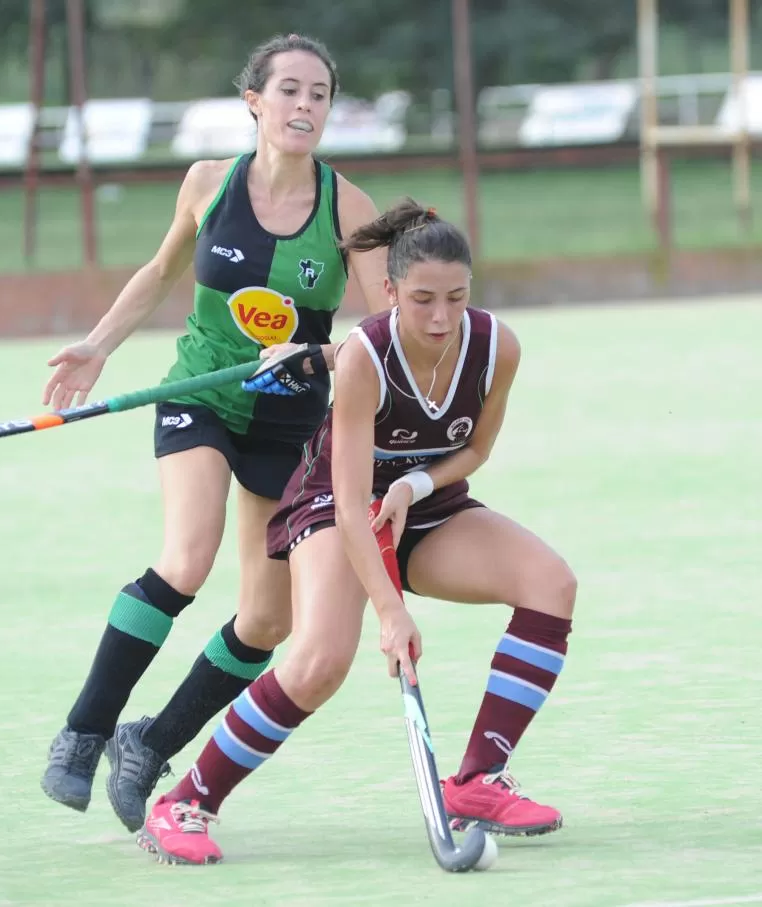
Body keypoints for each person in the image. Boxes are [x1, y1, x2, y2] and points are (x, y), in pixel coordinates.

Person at [135, 199, 578, 865]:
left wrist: (414, 486)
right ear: (390, 291)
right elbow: (347, 500)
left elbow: (475, 449)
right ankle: (186, 802)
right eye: (423, 298)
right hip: (332, 504)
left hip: (424, 504)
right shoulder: (364, 356)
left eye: (456, 298)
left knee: (551, 582)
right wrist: (389, 608)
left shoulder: (495, 347)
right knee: (319, 661)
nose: (440, 316)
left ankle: (479, 779)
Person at [39, 33, 390, 823]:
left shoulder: (349, 207)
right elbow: (162, 271)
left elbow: (385, 326)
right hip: (201, 394)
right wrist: (97, 345)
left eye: (320, 94)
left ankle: (152, 741)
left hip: (291, 419)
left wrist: (319, 352)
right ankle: (83, 730)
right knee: (186, 559)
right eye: (290, 90)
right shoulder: (208, 183)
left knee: (269, 619)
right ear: (254, 102)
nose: (305, 105)